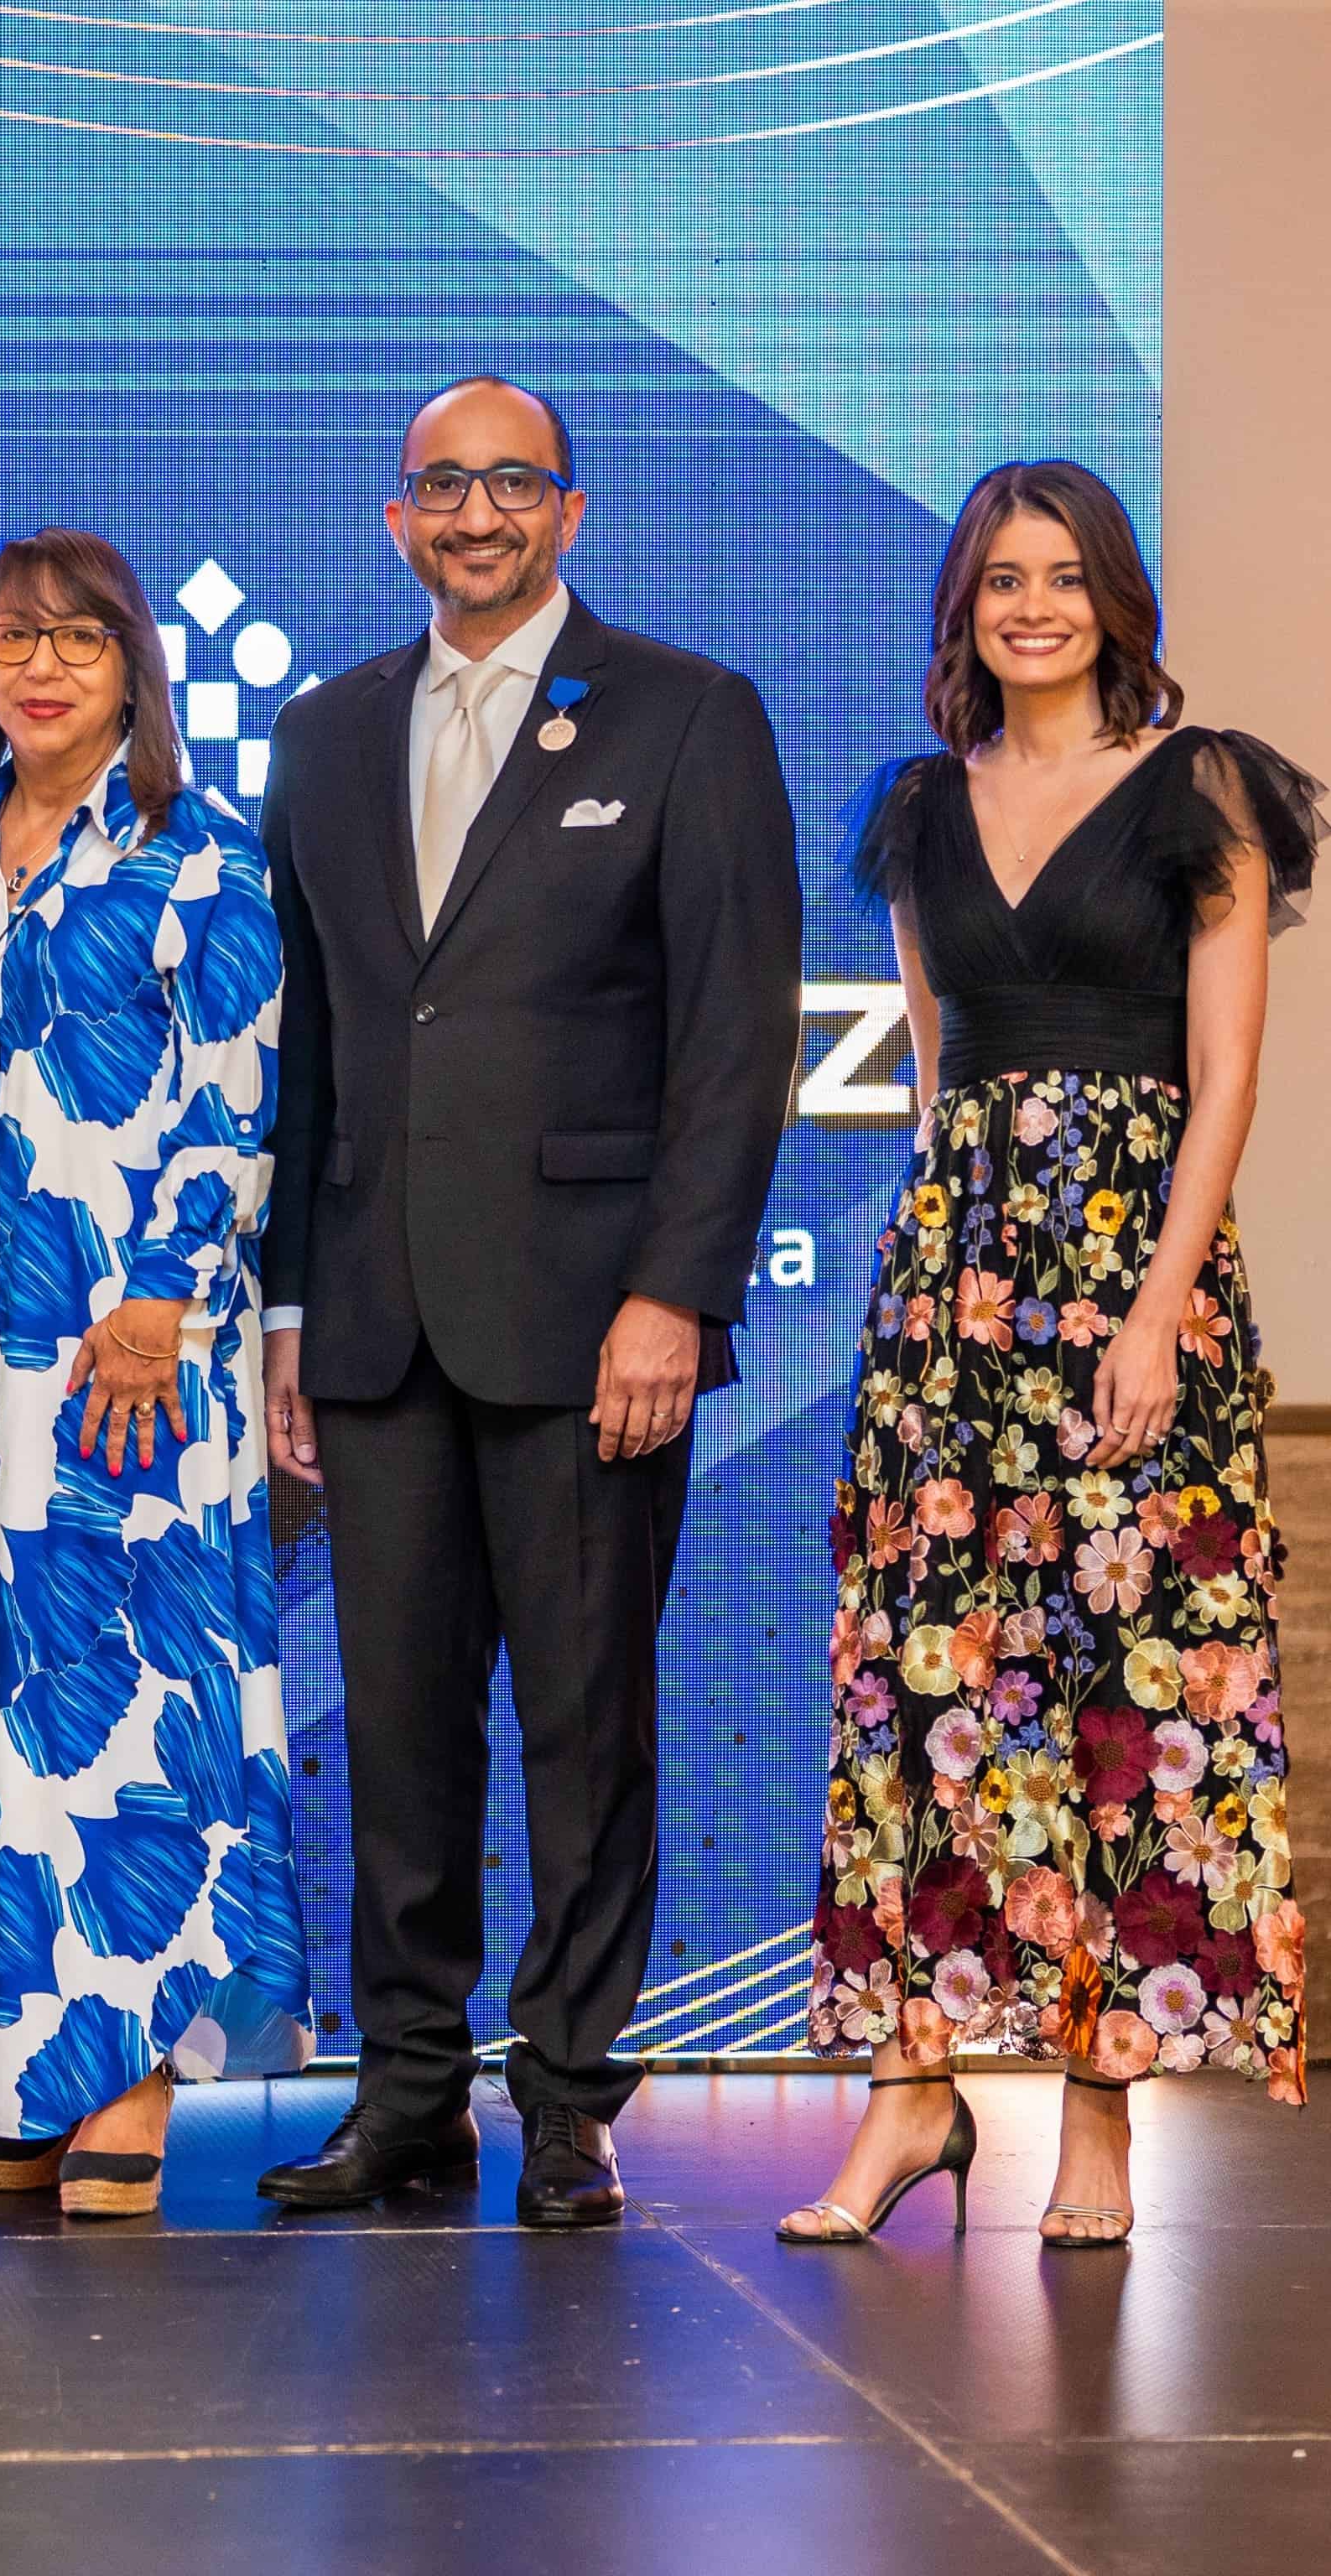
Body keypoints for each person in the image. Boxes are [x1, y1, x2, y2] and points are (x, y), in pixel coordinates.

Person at [252, 375, 801, 2227]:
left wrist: (673, 1293)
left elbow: (732, 1045)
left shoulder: (684, 714)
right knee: (397, 1730)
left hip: (590, 1327)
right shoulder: (321, 735)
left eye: (510, 482)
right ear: (390, 518)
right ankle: (404, 2093)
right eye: (439, 486)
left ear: (569, 510)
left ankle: (567, 2095)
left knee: (584, 1721)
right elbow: (314, 1052)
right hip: (375, 1317)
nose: (474, 513)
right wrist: (282, 1320)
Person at [781, 460, 1313, 2251]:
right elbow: (939, 1079)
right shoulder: (916, 807)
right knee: (919, 1697)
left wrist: (1155, 1308)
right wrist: (937, 1295)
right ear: (963, 606)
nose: (1031, 607)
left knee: (1129, 1695)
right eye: (1000, 579)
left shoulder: (1200, 787)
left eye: (1062, 577)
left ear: (1111, 601)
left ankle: (1099, 2115)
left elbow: (1223, 1075)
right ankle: (903, 2098)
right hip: (954, 1301)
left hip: (1132, 1288)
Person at [0, 530, 310, 2222]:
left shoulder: (200, 858)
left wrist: (157, 1300)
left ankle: (130, 2075)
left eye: (75, 639)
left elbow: (237, 1098)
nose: (39, 666)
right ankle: (13, 2079)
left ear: (133, 666)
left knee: (133, 1715)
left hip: (130, 1355)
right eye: (9, 639)